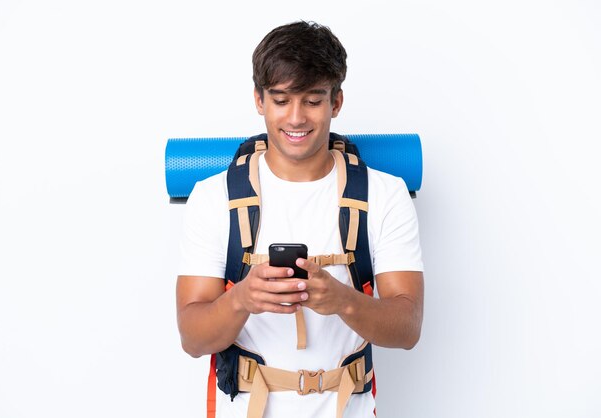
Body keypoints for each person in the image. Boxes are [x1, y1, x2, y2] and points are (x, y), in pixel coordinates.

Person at [176, 21, 424, 418]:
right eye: (280, 100)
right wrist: (242, 298)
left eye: (312, 100)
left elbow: (408, 327)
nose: (296, 118)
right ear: (259, 100)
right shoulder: (213, 197)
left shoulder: (383, 193)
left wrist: (344, 301)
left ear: (336, 102)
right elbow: (192, 337)